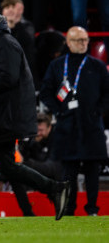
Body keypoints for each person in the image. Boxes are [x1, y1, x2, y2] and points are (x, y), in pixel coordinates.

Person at [0, 0, 71, 221]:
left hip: (3, 116)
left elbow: (8, 78)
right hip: (1, 114)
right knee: (7, 166)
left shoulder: (4, 42)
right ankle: (55, 189)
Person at [39, 26, 109, 216]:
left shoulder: (98, 66)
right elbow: (45, 92)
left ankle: (92, 209)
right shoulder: (57, 65)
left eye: (86, 40)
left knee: (92, 171)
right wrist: (58, 110)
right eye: (79, 40)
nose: (83, 43)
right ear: (68, 42)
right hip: (67, 125)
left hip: (91, 125)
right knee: (68, 172)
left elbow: (107, 93)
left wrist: (99, 111)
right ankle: (69, 210)